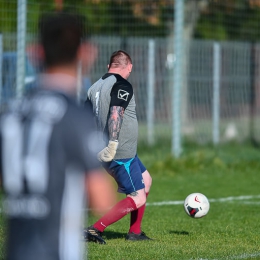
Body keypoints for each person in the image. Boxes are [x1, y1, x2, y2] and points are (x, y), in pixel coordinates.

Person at [0, 12, 115, 260]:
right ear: (86, 53)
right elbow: (102, 198)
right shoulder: (75, 116)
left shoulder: (11, 114)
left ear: (35, 53)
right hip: (57, 251)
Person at [84, 50, 153, 244]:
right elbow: (116, 113)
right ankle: (95, 229)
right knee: (137, 197)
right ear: (129, 67)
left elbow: (85, 119)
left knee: (146, 181)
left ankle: (135, 232)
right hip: (119, 151)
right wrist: (112, 144)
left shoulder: (94, 87)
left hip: (120, 150)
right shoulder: (121, 84)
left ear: (109, 67)